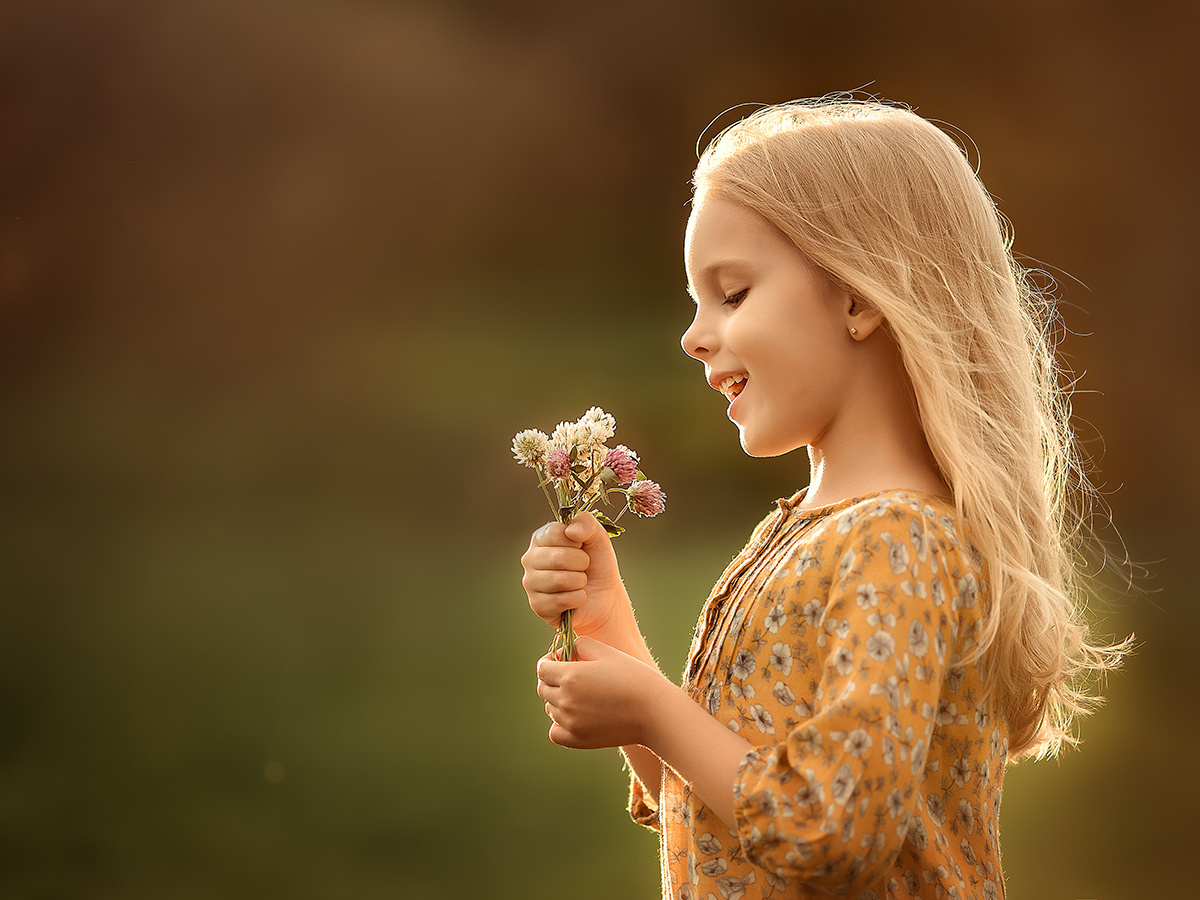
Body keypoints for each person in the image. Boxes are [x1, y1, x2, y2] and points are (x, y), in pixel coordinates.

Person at [519, 98, 1124, 900]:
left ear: (858, 298)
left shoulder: (901, 542)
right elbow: (725, 813)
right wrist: (607, 627)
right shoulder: (807, 533)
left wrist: (656, 711)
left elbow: (831, 830)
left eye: (733, 294)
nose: (693, 336)